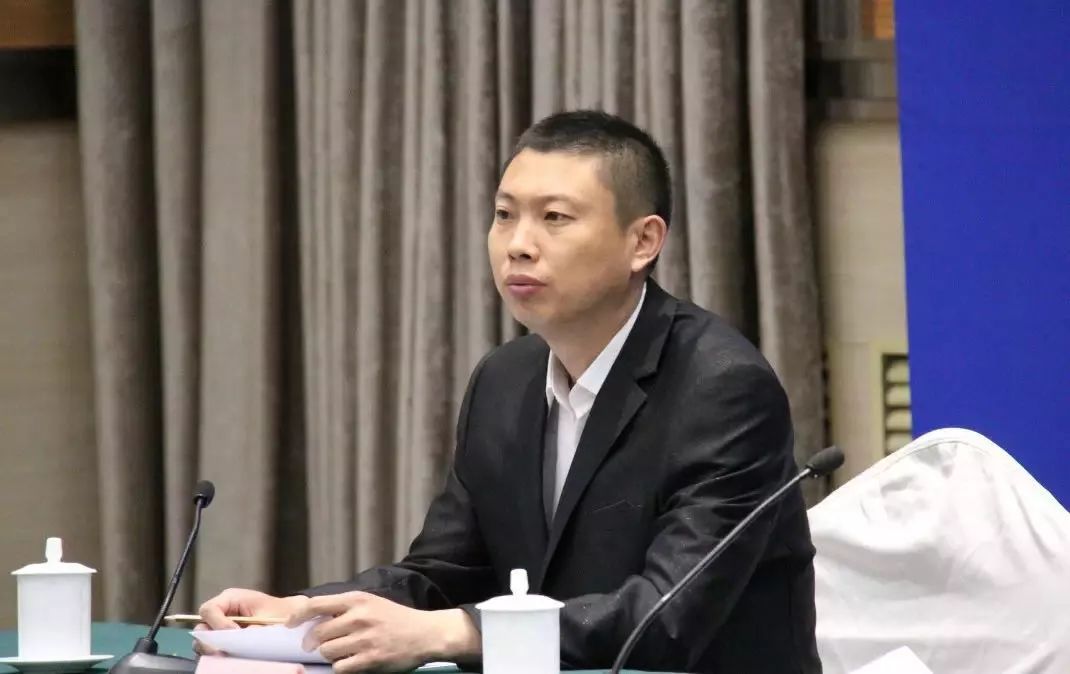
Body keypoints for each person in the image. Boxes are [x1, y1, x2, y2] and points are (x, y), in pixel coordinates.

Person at [198, 110, 821, 673]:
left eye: (555, 218)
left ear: (643, 242)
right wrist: (305, 613)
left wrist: (455, 633)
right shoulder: (505, 380)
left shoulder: (721, 387)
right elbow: (445, 573)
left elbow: (665, 615)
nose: (518, 244)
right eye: (504, 215)